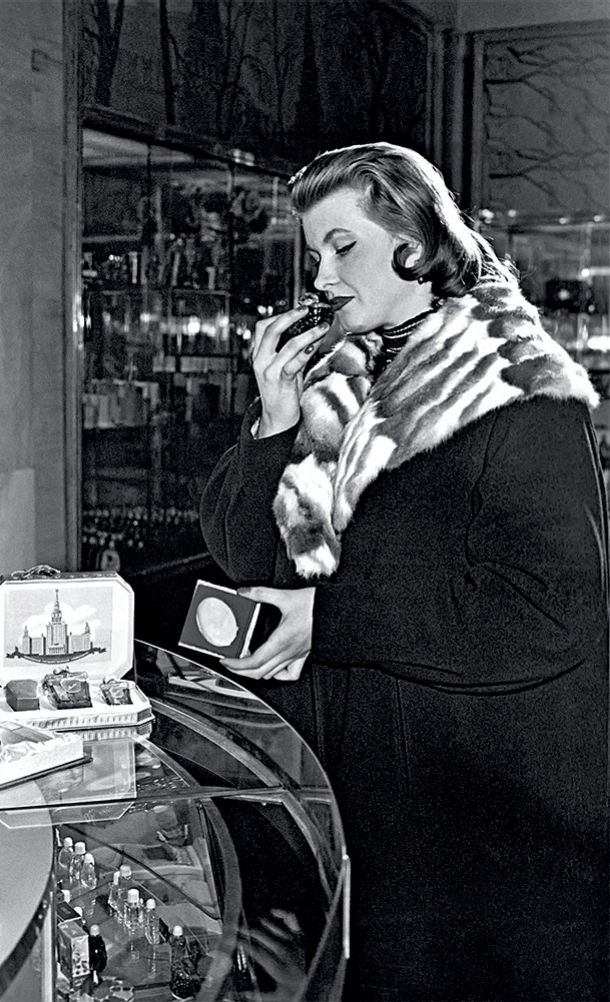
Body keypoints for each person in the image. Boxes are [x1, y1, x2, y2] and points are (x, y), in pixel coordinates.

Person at [200, 142, 609, 1002]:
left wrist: (329, 619)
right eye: (314, 252)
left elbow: (551, 610)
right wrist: (273, 424)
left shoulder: (519, 387)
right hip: (356, 793)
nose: (320, 276)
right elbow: (248, 561)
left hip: (476, 825)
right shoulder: (340, 382)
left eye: (341, 246)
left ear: (413, 245)